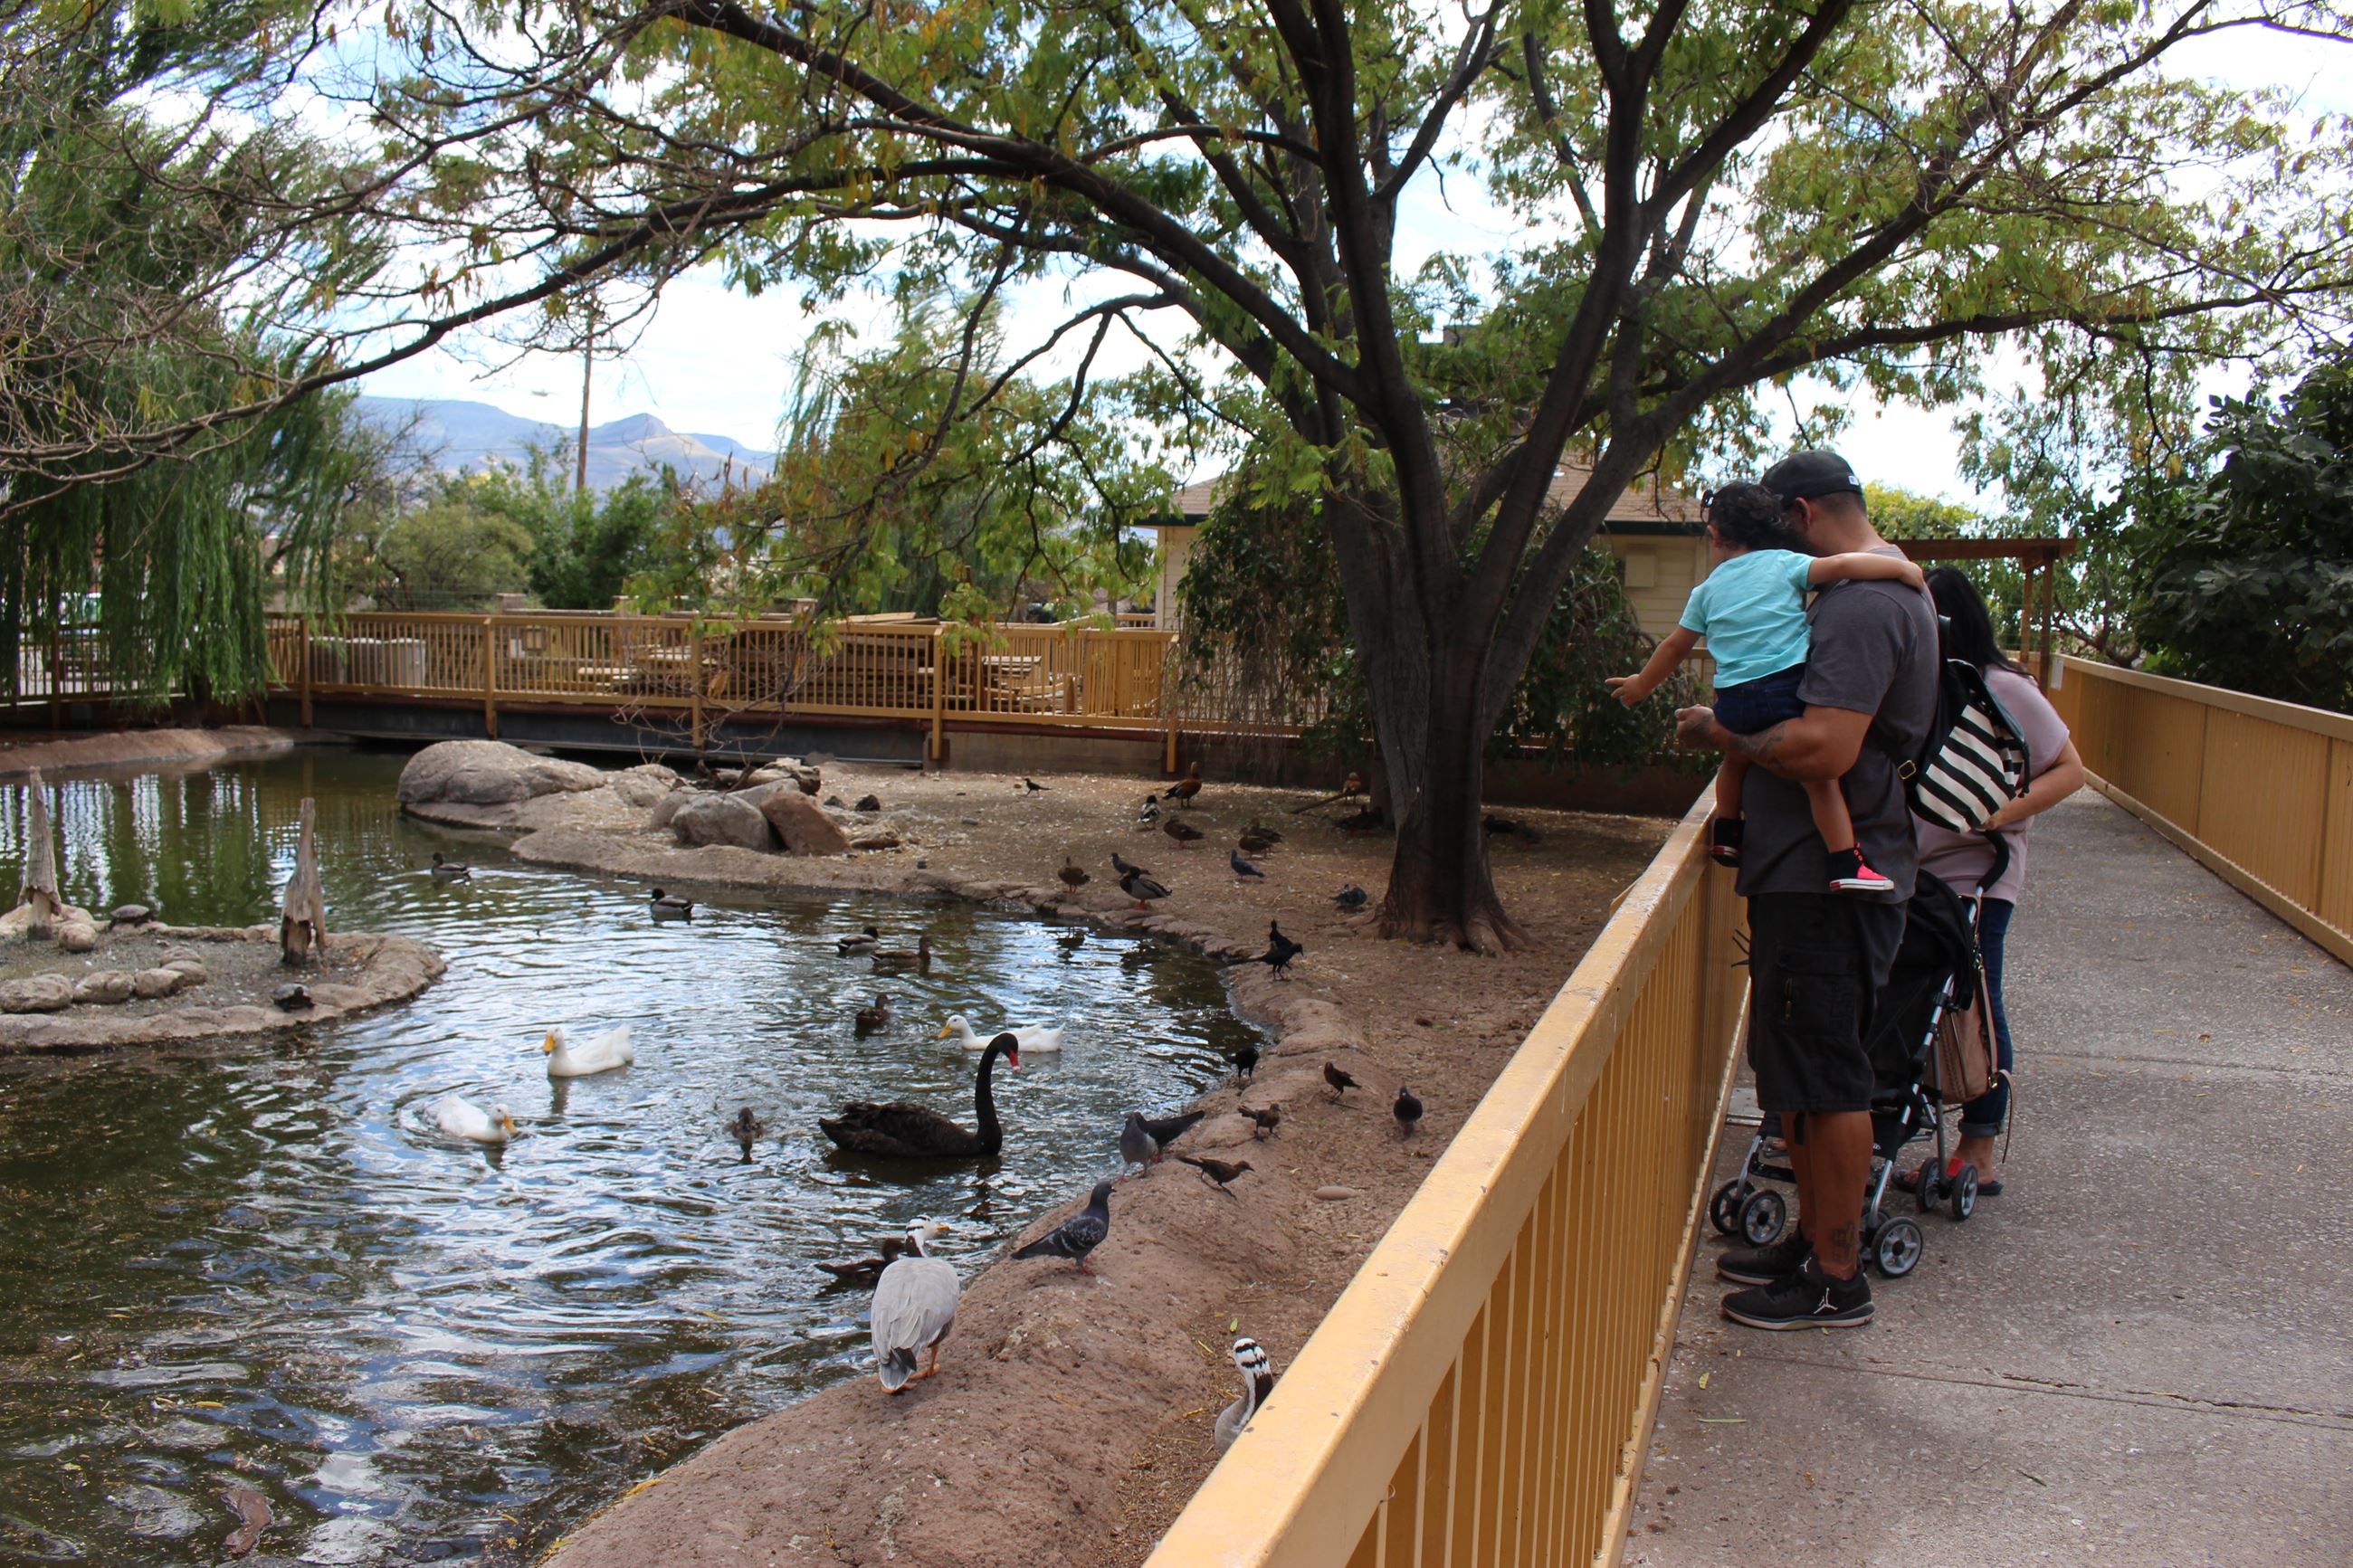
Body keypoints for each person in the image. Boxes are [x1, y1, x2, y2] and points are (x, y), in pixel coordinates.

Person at [1672, 451, 1938, 1330]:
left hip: (1829, 885)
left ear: (1798, 513)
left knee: (1829, 1081)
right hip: (1804, 876)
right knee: (1802, 1074)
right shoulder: (1866, 592)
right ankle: (1813, 1243)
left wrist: (1720, 731)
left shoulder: (1863, 607)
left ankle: (1834, 1274)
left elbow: (1822, 750)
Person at [1611, 481, 1926, 893]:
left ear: (1716, 535)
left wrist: (1641, 684)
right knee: (1821, 783)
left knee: (1735, 759)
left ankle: (1726, 833)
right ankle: (1846, 862)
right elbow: (1844, 566)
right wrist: (1902, 569)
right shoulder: (1785, 563)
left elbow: (1674, 646)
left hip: (1733, 702)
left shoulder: (1705, 591)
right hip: (1782, 692)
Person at [1898, 567, 2086, 1195]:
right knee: (1913, 1002)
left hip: (1977, 879)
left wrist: (1997, 813)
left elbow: (2069, 768)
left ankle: (1981, 1144)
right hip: (1910, 876)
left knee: (1978, 1001)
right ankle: (1909, 1123)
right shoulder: (1914, 685)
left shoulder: (2001, 686)